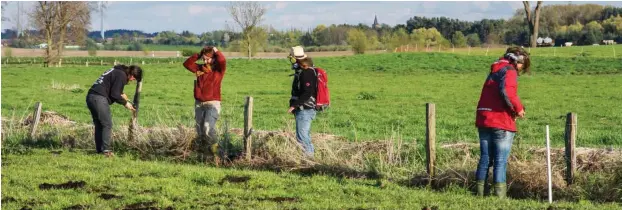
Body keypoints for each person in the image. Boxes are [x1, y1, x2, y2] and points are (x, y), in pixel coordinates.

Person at [474, 46, 530, 198]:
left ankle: (480, 194)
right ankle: (500, 198)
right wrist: (518, 109)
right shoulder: (509, 71)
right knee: (500, 161)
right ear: (517, 61)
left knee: (485, 158)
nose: (520, 70)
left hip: (484, 118)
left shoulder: (494, 70)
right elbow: (508, 93)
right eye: (521, 66)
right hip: (500, 120)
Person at [86, 64, 143, 157]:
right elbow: (114, 94)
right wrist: (125, 103)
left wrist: (122, 94)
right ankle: (106, 151)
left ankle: (100, 151)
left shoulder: (116, 71)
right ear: (132, 75)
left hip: (91, 97)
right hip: (99, 98)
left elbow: (111, 86)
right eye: (134, 79)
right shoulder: (121, 75)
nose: (132, 80)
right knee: (107, 124)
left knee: (99, 125)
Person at [182, 46, 227, 160]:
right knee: (201, 132)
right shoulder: (199, 68)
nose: (205, 61)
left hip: (212, 104)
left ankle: (219, 154)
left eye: (208, 59)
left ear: (214, 59)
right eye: (204, 59)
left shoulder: (218, 70)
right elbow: (187, 64)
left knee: (208, 129)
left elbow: (222, 60)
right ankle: (205, 156)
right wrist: (199, 54)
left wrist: (216, 50)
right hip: (199, 104)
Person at [288, 57, 318, 158]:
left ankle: (308, 159)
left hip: (305, 110)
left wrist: (294, 105)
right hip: (306, 110)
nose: (296, 66)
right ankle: (310, 157)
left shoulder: (306, 74)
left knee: (302, 136)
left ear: (304, 65)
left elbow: (307, 93)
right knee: (304, 135)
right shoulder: (311, 72)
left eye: (299, 64)